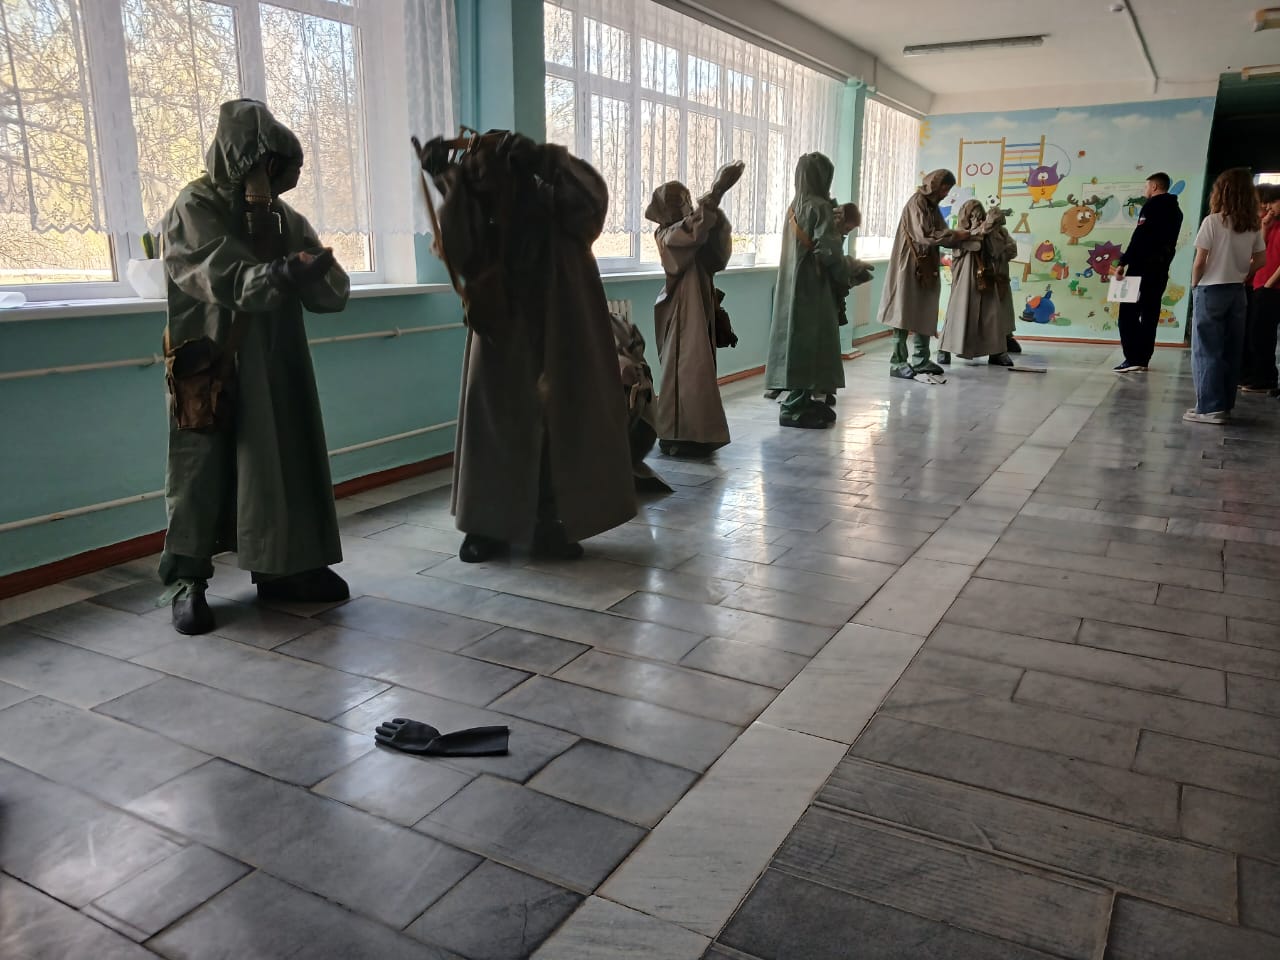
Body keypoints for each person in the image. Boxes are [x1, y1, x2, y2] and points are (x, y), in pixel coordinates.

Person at [158, 99, 351, 635]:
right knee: (200, 471)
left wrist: (316, 272)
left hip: (277, 365)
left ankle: (284, 568)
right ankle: (186, 580)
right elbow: (215, 271)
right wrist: (280, 274)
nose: (264, 173)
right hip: (210, 361)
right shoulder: (195, 206)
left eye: (273, 164)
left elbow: (332, 292)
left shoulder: (284, 219)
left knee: (280, 464)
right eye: (259, 160)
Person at [415, 130, 636, 561]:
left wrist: (547, 159)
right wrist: (444, 176)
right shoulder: (480, 205)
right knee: (495, 421)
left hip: (562, 318)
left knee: (560, 422)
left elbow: (592, 203)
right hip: (501, 325)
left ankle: (550, 521)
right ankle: (487, 526)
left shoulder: (556, 199)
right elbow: (459, 244)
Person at [644, 161, 745, 456]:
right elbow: (691, 232)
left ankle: (697, 432)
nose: (684, 206)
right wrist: (714, 195)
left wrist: (714, 214)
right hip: (680, 312)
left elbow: (715, 253)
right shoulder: (667, 235)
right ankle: (676, 433)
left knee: (698, 372)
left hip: (697, 306)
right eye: (676, 203)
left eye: (685, 200)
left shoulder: (689, 229)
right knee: (685, 371)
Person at [764, 152, 851, 428]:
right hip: (814, 285)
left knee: (796, 340)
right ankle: (794, 407)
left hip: (792, 284)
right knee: (812, 342)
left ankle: (802, 399)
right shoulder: (820, 207)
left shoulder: (794, 206)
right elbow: (828, 250)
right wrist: (845, 272)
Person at [1184, 168, 1267, 424]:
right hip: (1237, 292)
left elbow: (1200, 261)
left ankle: (1208, 408)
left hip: (1210, 289)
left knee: (1206, 350)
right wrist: (1243, 273)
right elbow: (1261, 260)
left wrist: (1194, 284)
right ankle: (1223, 406)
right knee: (1231, 349)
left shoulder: (1213, 221)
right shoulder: (1252, 224)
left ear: (1221, 192)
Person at [876, 169, 969, 380]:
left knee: (926, 308)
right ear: (935, 185)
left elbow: (942, 233)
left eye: (948, 190)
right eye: (944, 189)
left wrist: (960, 238)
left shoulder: (932, 206)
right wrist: (956, 235)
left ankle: (921, 359)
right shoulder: (917, 203)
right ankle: (898, 361)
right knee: (902, 310)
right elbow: (926, 235)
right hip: (909, 263)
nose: (945, 194)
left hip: (927, 265)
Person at [1113, 172, 1184, 373]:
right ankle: (1143, 358)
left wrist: (1123, 262)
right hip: (1160, 270)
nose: (1145, 190)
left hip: (1141, 268)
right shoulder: (1176, 211)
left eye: (1146, 186)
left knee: (1127, 313)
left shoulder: (1152, 206)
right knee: (1150, 314)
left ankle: (1132, 357)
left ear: (1154, 187)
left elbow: (1140, 237)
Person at [938, 200, 1016, 367]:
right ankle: (944, 349)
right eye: (973, 216)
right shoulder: (958, 233)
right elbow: (972, 242)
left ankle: (996, 352)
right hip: (965, 283)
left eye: (980, 215)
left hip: (986, 279)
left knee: (991, 315)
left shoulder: (990, 232)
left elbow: (997, 249)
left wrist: (991, 229)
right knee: (958, 314)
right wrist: (985, 227)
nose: (977, 219)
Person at [1240, 184, 1280, 394]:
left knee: (1263, 335)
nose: (1268, 207)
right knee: (1256, 334)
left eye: (1273, 202)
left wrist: (1268, 284)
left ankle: (1265, 378)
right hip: (1260, 284)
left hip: (1271, 287)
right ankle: (1256, 376)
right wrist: (1265, 226)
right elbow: (1261, 251)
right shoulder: (1270, 224)